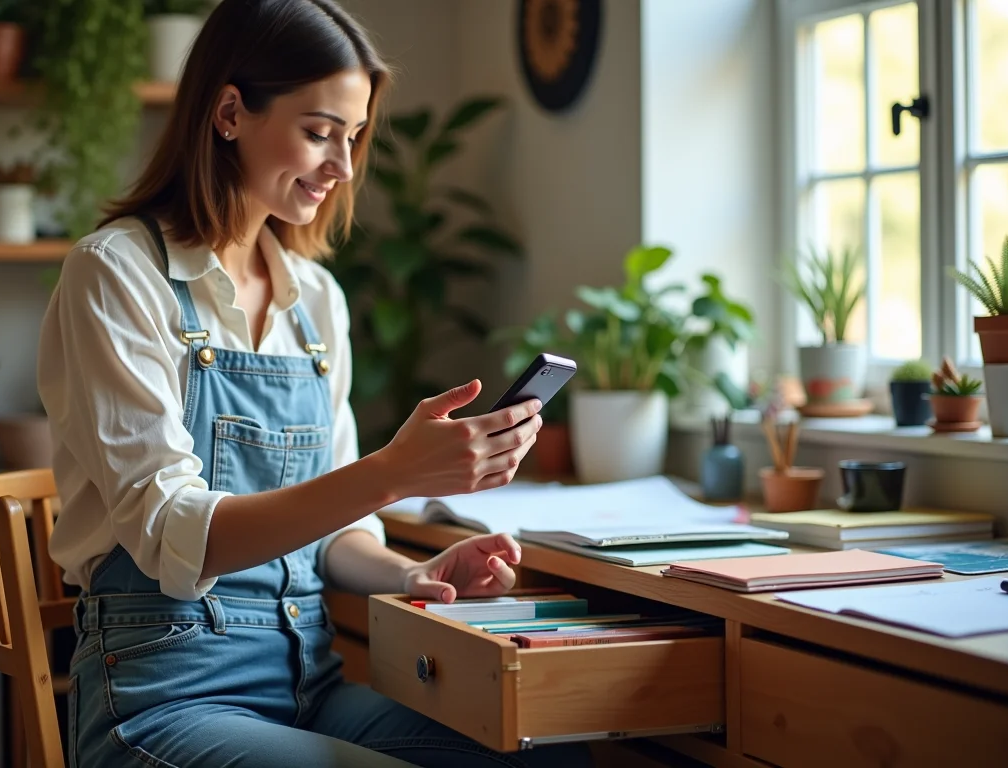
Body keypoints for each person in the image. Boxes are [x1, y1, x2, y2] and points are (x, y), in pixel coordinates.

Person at [37, 1, 593, 765]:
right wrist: (391, 473)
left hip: (308, 686)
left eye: (353, 136)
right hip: (163, 696)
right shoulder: (114, 274)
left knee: (547, 750)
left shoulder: (315, 300)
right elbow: (172, 534)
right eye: (320, 131)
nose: (344, 165)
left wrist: (413, 571)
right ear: (229, 113)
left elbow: (333, 534)